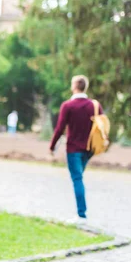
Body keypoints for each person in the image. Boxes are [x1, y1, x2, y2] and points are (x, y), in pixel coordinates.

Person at [49, 75, 102, 224]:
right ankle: (81, 212)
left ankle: (81, 215)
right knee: (79, 177)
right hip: (89, 148)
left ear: (74, 86)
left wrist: (52, 146)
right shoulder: (94, 105)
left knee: (77, 179)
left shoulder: (68, 106)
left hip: (73, 149)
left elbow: (59, 128)